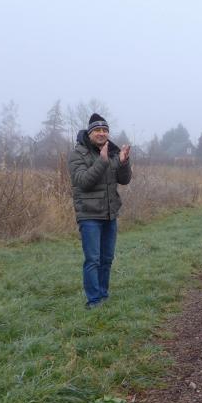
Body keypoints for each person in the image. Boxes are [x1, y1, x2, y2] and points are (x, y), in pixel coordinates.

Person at [68, 113, 132, 309]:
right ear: (89, 133)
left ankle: (103, 295)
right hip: (89, 215)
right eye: (97, 130)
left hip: (110, 214)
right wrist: (102, 161)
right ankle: (94, 300)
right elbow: (83, 182)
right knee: (93, 260)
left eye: (105, 130)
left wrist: (123, 162)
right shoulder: (78, 154)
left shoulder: (112, 152)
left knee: (106, 259)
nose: (102, 133)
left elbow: (124, 180)